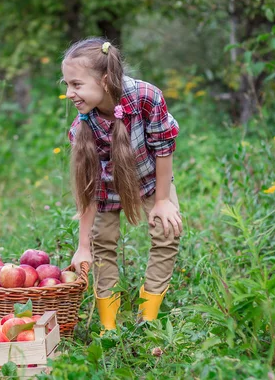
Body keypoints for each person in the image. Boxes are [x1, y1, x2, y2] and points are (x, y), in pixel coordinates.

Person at [64, 37, 183, 330]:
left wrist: (162, 201)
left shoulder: (146, 97)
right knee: (101, 242)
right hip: (106, 187)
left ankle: (149, 317)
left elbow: (163, 148)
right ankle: (109, 326)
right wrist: (83, 246)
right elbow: (88, 185)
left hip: (151, 177)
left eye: (76, 84)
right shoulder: (82, 126)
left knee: (166, 231)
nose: (69, 93)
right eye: (66, 84)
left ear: (104, 80)